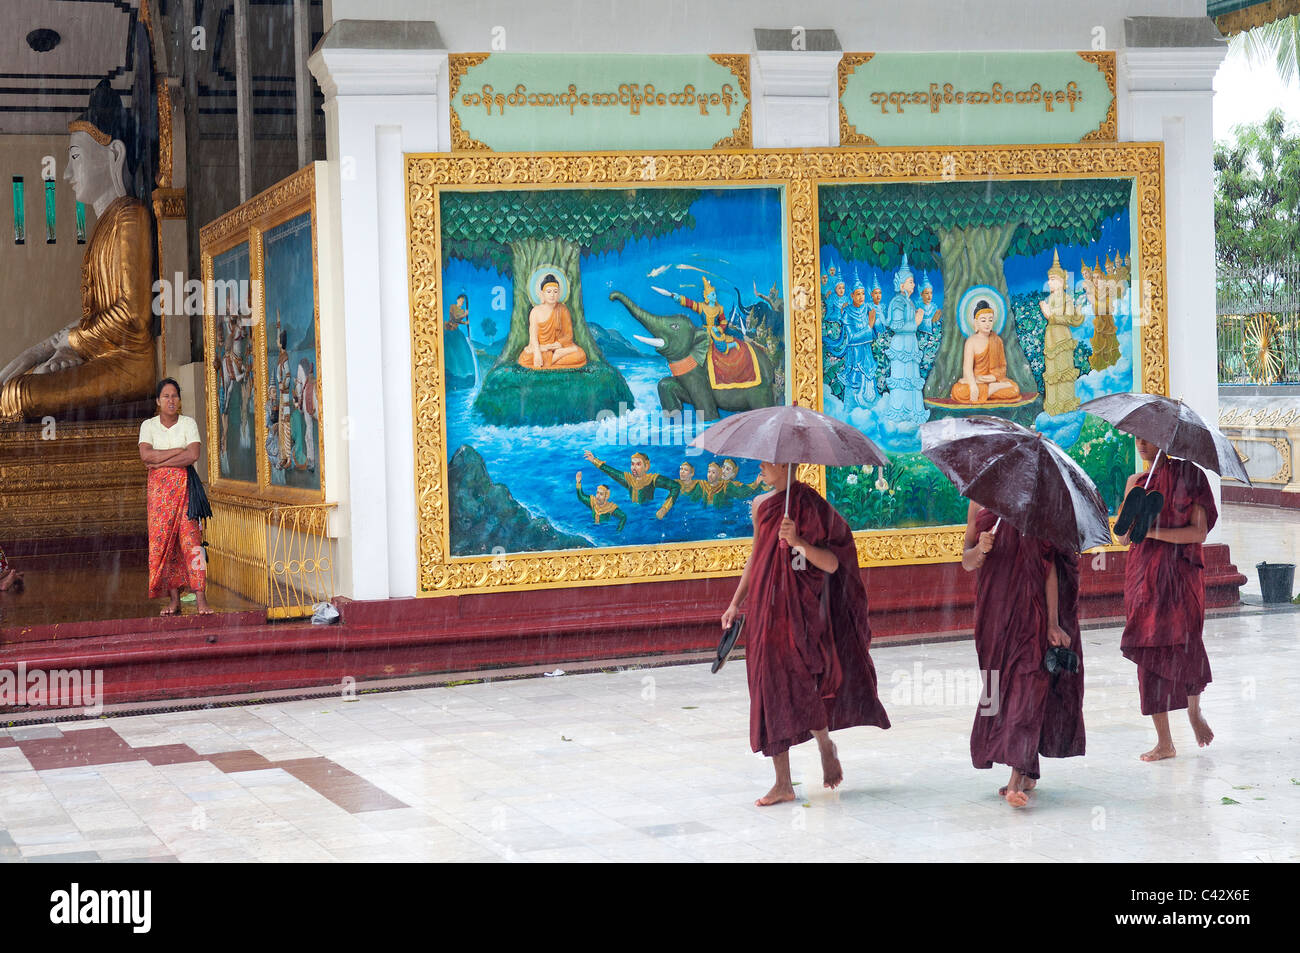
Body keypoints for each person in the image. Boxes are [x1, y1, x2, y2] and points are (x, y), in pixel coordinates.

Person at [721, 462, 890, 806]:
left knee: (802, 682)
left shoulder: (810, 505)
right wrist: (735, 603)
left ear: (786, 465)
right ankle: (782, 782)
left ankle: (825, 744)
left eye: (768, 462)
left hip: (800, 613)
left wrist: (797, 542)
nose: (761, 468)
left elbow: (831, 564)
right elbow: (756, 557)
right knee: (768, 688)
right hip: (765, 612)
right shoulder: (760, 506)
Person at [0, 81, 155, 420]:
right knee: (16, 383)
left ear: (114, 154)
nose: (68, 173)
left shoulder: (131, 217)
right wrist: (55, 347)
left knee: (21, 393)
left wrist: (71, 340)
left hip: (129, 363)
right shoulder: (105, 225)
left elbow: (133, 318)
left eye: (75, 157)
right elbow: (99, 316)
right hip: (104, 355)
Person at [961, 501, 1085, 807]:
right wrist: (980, 549)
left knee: (1028, 687)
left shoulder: (1033, 505)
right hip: (993, 614)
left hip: (1031, 613)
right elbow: (966, 560)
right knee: (998, 690)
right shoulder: (978, 500)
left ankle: (1016, 778)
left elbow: (1049, 568)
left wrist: (1053, 622)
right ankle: (1028, 769)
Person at [1116, 438, 1216, 762]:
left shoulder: (1191, 476)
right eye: (1138, 437)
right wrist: (1132, 523)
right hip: (1144, 578)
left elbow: (1198, 532)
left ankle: (1194, 712)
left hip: (1181, 577)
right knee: (1148, 649)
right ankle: (1164, 742)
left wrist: (1154, 531)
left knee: (1186, 644)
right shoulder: (1137, 482)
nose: (1142, 443)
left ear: (1165, 440)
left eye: (1149, 437)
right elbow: (1122, 536)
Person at [138, 378, 211, 616]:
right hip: (159, 497)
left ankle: (201, 600)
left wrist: (161, 461)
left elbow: (193, 455)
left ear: (179, 400)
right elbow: (145, 456)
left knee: (192, 544)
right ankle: (174, 601)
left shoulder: (188, 423)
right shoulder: (148, 426)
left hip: (187, 492)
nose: (171, 400)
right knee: (165, 545)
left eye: (175, 396)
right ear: (158, 401)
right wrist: (178, 452)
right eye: (166, 396)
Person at [882, 256, 930, 427]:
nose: (913, 285)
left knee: (911, 378)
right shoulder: (897, 301)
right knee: (902, 378)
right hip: (901, 344)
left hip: (910, 343)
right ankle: (900, 416)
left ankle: (912, 415)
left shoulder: (908, 301)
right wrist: (916, 322)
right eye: (910, 282)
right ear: (901, 285)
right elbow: (896, 325)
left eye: (913, 282)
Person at [825, 270, 880, 410]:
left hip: (867, 356)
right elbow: (852, 338)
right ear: (852, 295)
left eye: (863, 293)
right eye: (858, 294)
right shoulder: (847, 313)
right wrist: (869, 326)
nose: (861, 297)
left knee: (870, 392)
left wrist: (876, 322)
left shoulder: (868, 308)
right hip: (855, 356)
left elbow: (879, 331)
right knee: (854, 390)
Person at [1040, 249, 1085, 416]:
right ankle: (1053, 406)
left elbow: (1068, 319)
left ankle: (1065, 405)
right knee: (1052, 372)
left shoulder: (1066, 298)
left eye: (1052, 280)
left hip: (1062, 337)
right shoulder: (1050, 299)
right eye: (1049, 280)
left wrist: (1049, 315)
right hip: (1051, 337)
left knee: (1063, 372)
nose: (1049, 283)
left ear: (1061, 281)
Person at [949, 300, 1021, 403]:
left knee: (1014, 389)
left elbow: (1002, 367)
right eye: (983, 320)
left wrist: (993, 377)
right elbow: (967, 369)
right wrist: (973, 385)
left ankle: (991, 389)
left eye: (990, 320)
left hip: (992, 380)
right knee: (958, 391)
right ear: (976, 322)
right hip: (976, 380)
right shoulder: (971, 342)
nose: (987, 324)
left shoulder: (997, 341)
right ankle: (991, 390)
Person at [583, 450, 679, 518]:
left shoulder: (652, 479)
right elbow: (611, 471)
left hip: (648, 510)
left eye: (638, 464)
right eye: (632, 464)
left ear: (646, 466)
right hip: (632, 511)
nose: (634, 467)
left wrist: (664, 508)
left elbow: (676, 486)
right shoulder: (628, 479)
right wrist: (593, 460)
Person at [518, 274, 587, 369]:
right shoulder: (535, 311)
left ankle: (550, 360)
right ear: (542, 294)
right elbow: (533, 337)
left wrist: (557, 345)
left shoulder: (563, 309)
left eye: (555, 291)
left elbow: (568, 335)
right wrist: (538, 353)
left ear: (559, 294)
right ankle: (554, 359)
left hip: (558, 347)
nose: (552, 295)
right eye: (549, 291)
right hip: (541, 348)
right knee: (524, 358)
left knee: (580, 354)